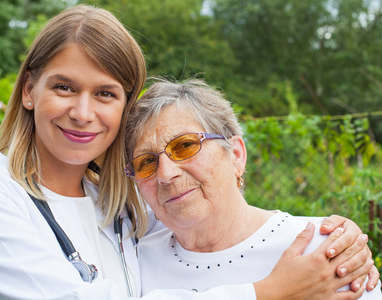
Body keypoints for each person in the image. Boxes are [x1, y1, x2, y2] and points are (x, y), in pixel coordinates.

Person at [0, 4, 378, 300]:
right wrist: (269, 293)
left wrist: (343, 242)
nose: (82, 113)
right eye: (64, 87)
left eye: (105, 93)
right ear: (29, 90)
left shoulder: (130, 205)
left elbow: (217, 222)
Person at [124, 78, 382, 299]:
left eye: (185, 146)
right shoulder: (133, 263)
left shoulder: (323, 251)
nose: (166, 175)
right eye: (146, 162)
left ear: (236, 155)